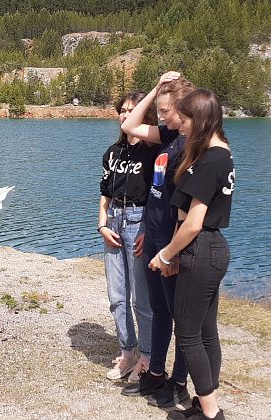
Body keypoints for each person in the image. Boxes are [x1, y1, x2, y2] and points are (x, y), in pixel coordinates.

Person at [149, 89, 235, 420]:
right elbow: (186, 216)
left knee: (187, 333)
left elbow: (193, 223)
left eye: (183, 120)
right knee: (206, 331)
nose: (179, 127)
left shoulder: (211, 159)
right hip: (211, 250)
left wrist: (167, 255)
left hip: (200, 251)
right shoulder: (222, 153)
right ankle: (204, 402)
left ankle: (210, 413)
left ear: (198, 121)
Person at [120, 72, 196, 407]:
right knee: (160, 310)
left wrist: (172, 251)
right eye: (161, 110)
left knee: (178, 314)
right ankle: (156, 374)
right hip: (151, 235)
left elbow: (190, 208)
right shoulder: (167, 135)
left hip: (171, 242)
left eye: (167, 110)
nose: (161, 116)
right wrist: (156, 89)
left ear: (185, 110)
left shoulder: (190, 145)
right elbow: (130, 126)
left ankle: (179, 382)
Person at [98, 91, 159, 382]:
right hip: (114, 222)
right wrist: (102, 225)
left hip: (139, 222)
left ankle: (147, 357)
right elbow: (104, 193)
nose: (124, 115)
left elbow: (159, 198)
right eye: (121, 110)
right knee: (117, 297)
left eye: (131, 110)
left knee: (141, 300)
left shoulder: (154, 154)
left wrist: (148, 231)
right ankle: (128, 352)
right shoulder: (113, 152)